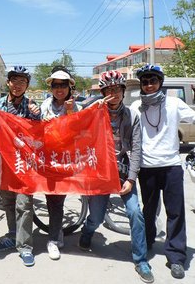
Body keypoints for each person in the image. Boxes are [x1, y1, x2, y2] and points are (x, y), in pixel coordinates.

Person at [79, 70, 154, 283]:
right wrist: (95, 104)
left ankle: (141, 260)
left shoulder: (132, 115)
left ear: (123, 91)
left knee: (135, 213)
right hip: (100, 174)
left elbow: (137, 149)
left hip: (123, 171)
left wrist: (131, 179)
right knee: (96, 217)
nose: (113, 94)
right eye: (108, 90)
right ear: (103, 92)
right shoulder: (95, 112)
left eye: (117, 89)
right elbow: (76, 119)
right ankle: (87, 232)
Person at [130, 64, 195, 280]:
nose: (149, 85)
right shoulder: (136, 106)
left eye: (153, 81)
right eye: (145, 81)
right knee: (148, 210)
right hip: (147, 168)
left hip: (171, 166)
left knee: (175, 212)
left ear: (161, 82)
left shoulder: (175, 103)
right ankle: (147, 242)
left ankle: (176, 257)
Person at [0, 65, 41, 267]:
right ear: (8, 83)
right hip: (4, 165)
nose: (18, 85)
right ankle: (13, 235)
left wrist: (36, 116)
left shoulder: (32, 107)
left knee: (25, 205)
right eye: (15, 80)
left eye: (23, 81)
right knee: (8, 203)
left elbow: (40, 134)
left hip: (25, 165)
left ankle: (25, 247)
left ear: (27, 85)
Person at [40, 65, 80, 260]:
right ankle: (56, 232)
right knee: (51, 199)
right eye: (56, 85)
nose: (59, 89)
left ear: (69, 87)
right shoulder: (44, 105)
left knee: (58, 199)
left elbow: (78, 129)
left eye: (63, 85)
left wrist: (70, 112)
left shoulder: (75, 106)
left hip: (65, 159)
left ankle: (53, 239)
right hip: (48, 158)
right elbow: (36, 128)